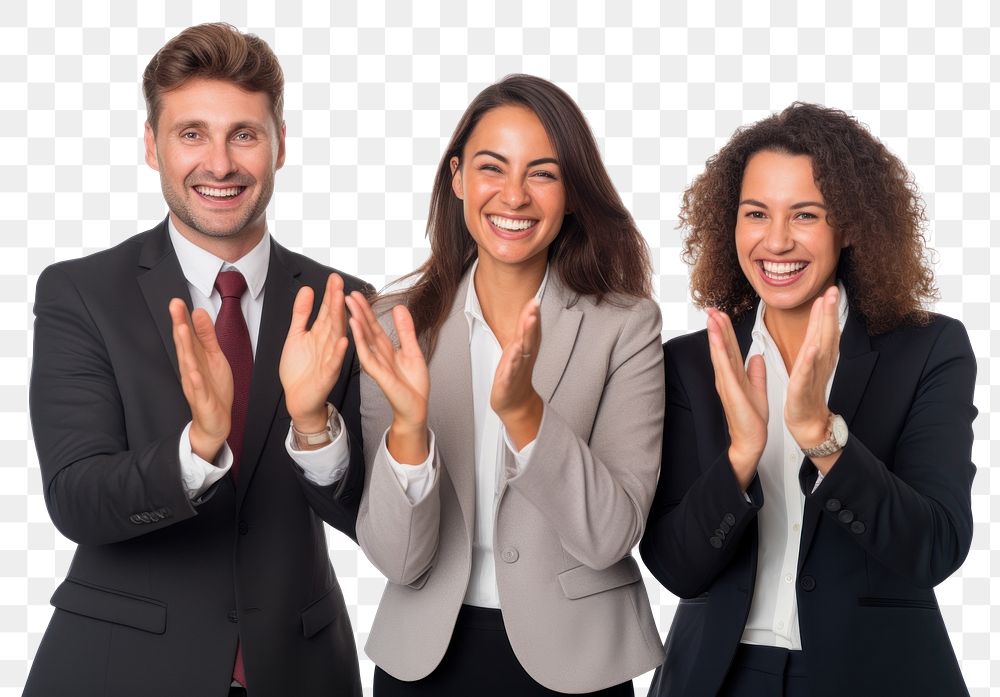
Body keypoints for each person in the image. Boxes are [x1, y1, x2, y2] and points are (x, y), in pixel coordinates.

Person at [25, 23, 370, 697]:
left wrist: (312, 428)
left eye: (244, 133)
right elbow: (77, 497)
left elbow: (376, 519)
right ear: (152, 146)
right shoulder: (82, 293)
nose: (219, 163)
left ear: (280, 145)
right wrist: (198, 445)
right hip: (119, 669)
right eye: (192, 134)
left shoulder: (343, 303)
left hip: (300, 673)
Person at [640, 102, 976, 697]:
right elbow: (673, 565)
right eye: (755, 214)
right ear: (730, 224)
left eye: (805, 215)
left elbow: (936, 547)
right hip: (718, 677)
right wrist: (742, 454)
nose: (776, 240)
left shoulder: (929, 349)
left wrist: (821, 435)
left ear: (848, 226)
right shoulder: (694, 361)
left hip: (875, 675)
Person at [343, 74, 664, 696]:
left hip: (578, 660)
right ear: (458, 178)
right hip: (423, 659)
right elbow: (397, 558)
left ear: (571, 192)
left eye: (542, 173)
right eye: (493, 168)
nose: (514, 196)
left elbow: (611, 535)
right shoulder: (395, 325)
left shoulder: (625, 327)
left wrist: (526, 418)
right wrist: (409, 430)